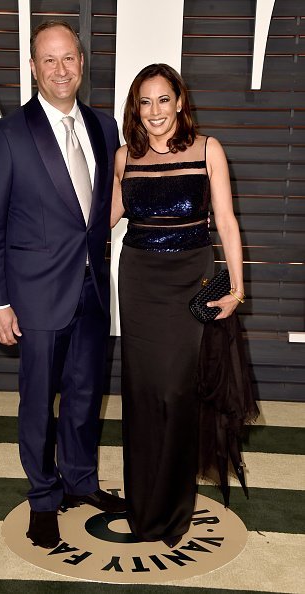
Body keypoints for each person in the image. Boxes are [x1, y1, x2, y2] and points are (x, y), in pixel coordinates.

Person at [0, 21, 125, 550]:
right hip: (34, 297)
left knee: (85, 394)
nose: (62, 70)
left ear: (82, 62)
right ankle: (43, 497)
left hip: (92, 290)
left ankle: (80, 480)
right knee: (38, 401)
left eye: (69, 59)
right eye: (49, 60)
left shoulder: (105, 129)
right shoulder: (8, 134)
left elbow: (99, 211)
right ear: (33, 68)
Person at [111, 63, 244, 548]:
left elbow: (226, 223)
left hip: (191, 277)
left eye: (163, 100)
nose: (155, 112)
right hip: (140, 278)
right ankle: (145, 508)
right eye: (144, 102)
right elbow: (99, 220)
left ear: (180, 101)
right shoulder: (125, 158)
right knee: (143, 393)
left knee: (177, 391)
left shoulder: (209, 150)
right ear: (135, 108)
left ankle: (174, 507)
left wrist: (236, 289)